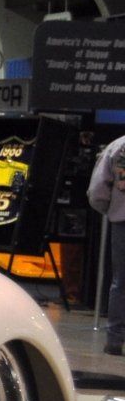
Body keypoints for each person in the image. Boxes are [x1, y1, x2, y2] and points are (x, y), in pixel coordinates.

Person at [87, 132, 125, 354]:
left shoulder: (117, 147)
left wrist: (110, 210)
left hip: (122, 222)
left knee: (121, 283)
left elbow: (98, 190)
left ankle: (114, 340)